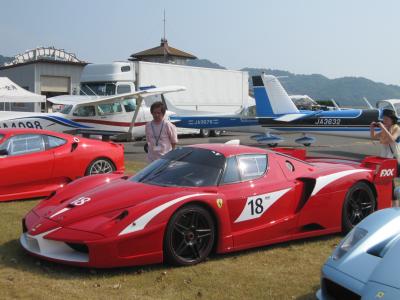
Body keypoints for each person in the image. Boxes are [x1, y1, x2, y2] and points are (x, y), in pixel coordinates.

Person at [370, 109, 400, 206]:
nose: (384, 121)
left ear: (392, 119)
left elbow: (392, 139)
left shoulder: (397, 128)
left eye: (386, 119)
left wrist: (383, 127)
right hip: (386, 160)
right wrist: (372, 128)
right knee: (389, 182)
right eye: (383, 119)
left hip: (396, 159)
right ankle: (394, 205)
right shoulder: (384, 129)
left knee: (392, 181)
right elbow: (373, 136)